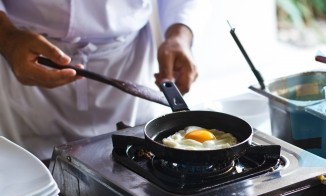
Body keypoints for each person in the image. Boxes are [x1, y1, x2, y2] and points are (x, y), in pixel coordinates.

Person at [0, 0, 208, 161]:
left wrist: (180, 33)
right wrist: (7, 38)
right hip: (24, 57)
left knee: (138, 165)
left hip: (127, 62)